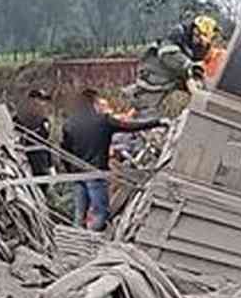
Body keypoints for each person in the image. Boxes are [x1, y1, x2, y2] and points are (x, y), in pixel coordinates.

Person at [60, 87, 168, 230]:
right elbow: (130, 126)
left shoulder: (69, 124)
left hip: (77, 174)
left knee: (79, 214)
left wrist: (70, 170)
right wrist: (157, 122)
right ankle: (92, 244)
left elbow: (64, 151)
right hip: (96, 173)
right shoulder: (103, 121)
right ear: (94, 103)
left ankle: (75, 243)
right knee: (100, 212)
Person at [129, 14, 221, 117]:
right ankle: (134, 120)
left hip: (179, 74)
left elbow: (203, 63)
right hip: (157, 71)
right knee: (145, 104)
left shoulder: (201, 46)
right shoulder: (178, 33)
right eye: (202, 38)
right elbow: (167, 55)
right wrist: (189, 66)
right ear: (196, 31)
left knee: (203, 92)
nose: (203, 43)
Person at [14, 87, 55, 189]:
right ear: (32, 100)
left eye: (44, 101)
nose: (43, 103)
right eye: (41, 100)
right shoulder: (19, 119)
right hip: (29, 159)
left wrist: (51, 165)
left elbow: (46, 143)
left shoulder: (44, 120)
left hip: (40, 159)